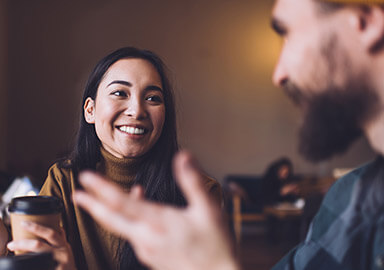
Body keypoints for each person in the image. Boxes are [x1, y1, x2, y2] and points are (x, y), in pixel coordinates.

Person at [73, 0, 384, 269]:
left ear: (366, 24)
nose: (279, 74)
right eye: (119, 94)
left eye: (287, 33)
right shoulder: (352, 201)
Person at [0, 47, 223, 270]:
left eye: (153, 98)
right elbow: (25, 261)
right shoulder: (64, 180)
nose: (137, 110)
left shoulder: (199, 196)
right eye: (120, 93)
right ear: (90, 110)